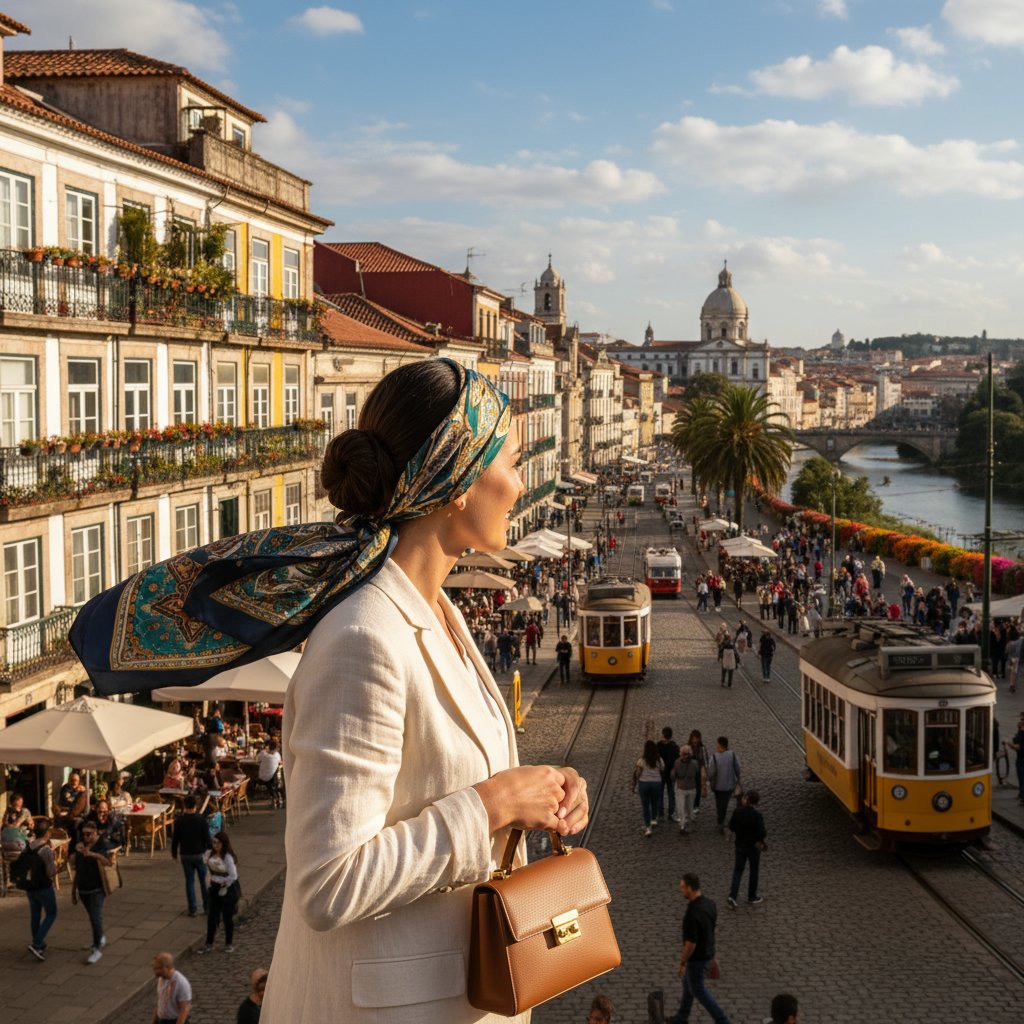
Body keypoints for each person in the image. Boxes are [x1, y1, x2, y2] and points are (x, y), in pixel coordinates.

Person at [69, 359, 588, 1023]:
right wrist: (491, 805)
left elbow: (441, 779)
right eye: (512, 462)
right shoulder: (362, 637)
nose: (520, 483)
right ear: (457, 479)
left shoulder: (440, 613)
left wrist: (542, 791)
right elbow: (328, 881)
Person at [669, 872, 732, 1024]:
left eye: (683, 887)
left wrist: (682, 962)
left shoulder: (692, 913)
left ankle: (722, 1020)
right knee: (687, 984)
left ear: (690, 888)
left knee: (698, 990)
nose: (681, 890)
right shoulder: (710, 904)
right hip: (708, 952)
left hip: (697, 958)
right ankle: (682, 1017)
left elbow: (691, 944)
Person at [72, 819, 113, 963]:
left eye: (89, 834)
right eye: (84, 834)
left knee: (95, 917)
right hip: (83, 888)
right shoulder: (81, 845)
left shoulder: (102, 844)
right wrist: (73, 890)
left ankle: (97, 948)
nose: (86, 837)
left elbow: (109, 862)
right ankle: (100, 937)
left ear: (95, 833)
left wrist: (93, 855)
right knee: (93, 917)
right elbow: (76, 868)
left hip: (97, 888)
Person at [171, 794, 211, 917]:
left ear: (185, 805)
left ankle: (192, 909)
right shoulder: (201, 820)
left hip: (185, 854)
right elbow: (208, 839)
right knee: (204, 882)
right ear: (195, 806)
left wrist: (174, 854)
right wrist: (210, 852)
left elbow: (175, 839)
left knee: (189, 881)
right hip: (199, 854)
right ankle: (207, 907)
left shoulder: (179, 821)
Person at [24, 819, 58, 961]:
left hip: (30, 886)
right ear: (47, 833)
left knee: (35, 915)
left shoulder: (29, 846)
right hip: (43, 887)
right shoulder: (46, 850)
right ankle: (37, 943)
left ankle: (38, 944)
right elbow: (51, 872)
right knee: (51, 913)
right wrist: (57, 866)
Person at [726, 790, 767, 908]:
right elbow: (762, 833)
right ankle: (752, 896)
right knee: (754, 871)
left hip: (740, 846)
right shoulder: (757, 815)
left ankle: (732, 896)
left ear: (747, 800)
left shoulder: (737, 812)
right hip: (753, 848)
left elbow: (731, 826)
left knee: (737, 871)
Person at [201, 830, 240, 953]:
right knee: (212, 916)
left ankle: (228, 943)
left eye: (218, 843)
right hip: (214, 888)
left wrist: (223, 882)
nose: (215, 845)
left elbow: (233, 876)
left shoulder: (227, 858)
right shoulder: (209, 854)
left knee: (227, 917)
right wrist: (209, 880)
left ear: (223, 844)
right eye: (214, 842)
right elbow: (206, 869)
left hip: (228, 889)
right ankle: (209, 943)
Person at [706, 737, 741, 834]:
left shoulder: (714, 757)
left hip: (718, 786)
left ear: (720, 745)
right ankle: (721, 820)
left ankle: (720, 821)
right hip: (729, 785)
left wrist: (708, 780)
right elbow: (738, 768)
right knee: (724, 804)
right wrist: (738, 779)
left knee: (719, 803)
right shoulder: (732, 755)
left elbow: (711, 772)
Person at [634, 740, 665, 837]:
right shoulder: (659, 760)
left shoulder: (642, 760)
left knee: (645, 805)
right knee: (654, 802)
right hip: (656, 783)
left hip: (644, 784)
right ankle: (653, 819)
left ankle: (648, 827)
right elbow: (663, 769)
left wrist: (634, 783)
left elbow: (638, 773)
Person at [152, 951, 192, 1024]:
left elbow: (184, 1009)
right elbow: (160, 1001)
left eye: (158, 968)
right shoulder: (161, 978)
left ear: (167, 967)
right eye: (154, 968)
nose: (155, 972)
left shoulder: (181, 983)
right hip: (161, 1020)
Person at [672, 745, 703, 834]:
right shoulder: (692, 763)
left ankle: (686, 824)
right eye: (684, 754)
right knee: (682, 808)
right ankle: (683, 825)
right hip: (684, 788)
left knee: (688, 808)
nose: (685, 756)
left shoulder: (679, 762)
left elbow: (674, 775)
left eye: (686, 754)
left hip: (688, 788)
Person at [657, 726, 681, 822]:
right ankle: (671, 813)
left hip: (661, 773)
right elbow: (677, 760)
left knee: (660, 794)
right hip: (671, 774)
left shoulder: (658, 745)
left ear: (663, 734)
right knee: (671, 794)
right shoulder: (674, 746)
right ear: (671, 735)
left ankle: (660, 814)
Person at [256, 740, 283, 808]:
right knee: (274, 778)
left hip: (262, 778)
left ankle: (274, 797)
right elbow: (280, 762)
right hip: (273, 779)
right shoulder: (277, 755)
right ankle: (276, 797)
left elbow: (257, 760)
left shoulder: (263, 754)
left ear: (268, 747)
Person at [1009, 712, 1024, 805]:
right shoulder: (1021, 731)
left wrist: (1011, 745)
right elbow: (1016, 740)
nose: (1021, 721)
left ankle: (1023, 797)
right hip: (1020, 758)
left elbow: (1019, 746)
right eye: (1021, 719)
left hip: (1022, 758)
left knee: (1022, 777)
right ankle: (1021, 794)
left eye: (1022, 719)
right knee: (1020, 777)